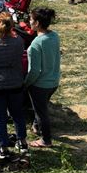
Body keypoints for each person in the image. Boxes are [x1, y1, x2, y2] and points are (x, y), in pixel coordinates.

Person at [0, 12, 27, 156]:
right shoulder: (19, 41)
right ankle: (22, 142)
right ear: (11, 27)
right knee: (18, 114)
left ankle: (3, 147)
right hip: (15, 83)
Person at [25, 8, 61, 148]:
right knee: (41, 106)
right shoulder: (54, 36)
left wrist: (26, 84)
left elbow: (34, 71)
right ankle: (36, 126)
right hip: (54, 81)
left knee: (41, 113)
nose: (29, 21)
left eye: (31, 20)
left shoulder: (35, 44)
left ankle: (45, 140)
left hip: (40, 85)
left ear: (37, 23)